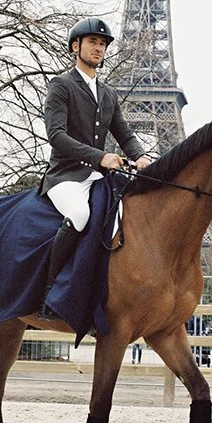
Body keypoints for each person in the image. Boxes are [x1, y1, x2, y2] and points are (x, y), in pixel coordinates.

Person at [38, 17, 152, 318]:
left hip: (96, 177)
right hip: (65, 176)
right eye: (92, 42)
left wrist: (140, 156)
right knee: (79, 214)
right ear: (75, 46)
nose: (98, 48)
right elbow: (56, 135)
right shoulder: (61, 85)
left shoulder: (108, 93)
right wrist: (99, 157)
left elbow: (125, 134)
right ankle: (49, 292)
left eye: (102, 44)